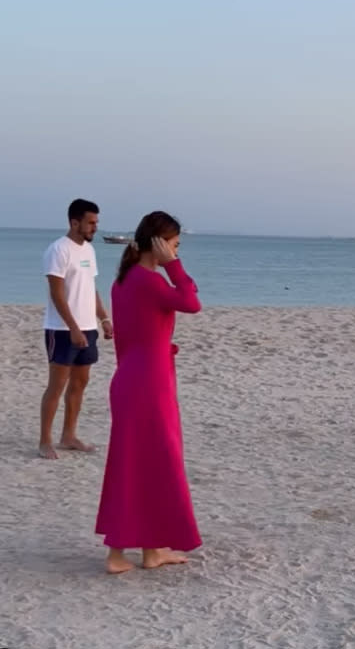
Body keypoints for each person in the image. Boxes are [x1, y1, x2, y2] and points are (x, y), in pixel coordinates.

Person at [95, 211, 202, 573]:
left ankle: (125, 552)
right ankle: (146, 550)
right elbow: (191, 302)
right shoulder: (149, 281)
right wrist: (174, 266)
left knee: (132, 463)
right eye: (173, 245)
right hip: (149, 383)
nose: (175, 251)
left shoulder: (123, 281)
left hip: (129, 378)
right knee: (158, 461)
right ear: (158, 243)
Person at [39, 198, 113, 460]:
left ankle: (68, 435)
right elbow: (57, 293)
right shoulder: (58, 250)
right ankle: (45, 441)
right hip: (61, 330)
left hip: (87, 327)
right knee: (56, 386)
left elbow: (89, 289)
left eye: (96, 222)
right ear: (74, 222)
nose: (95, 227)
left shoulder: (88, 252)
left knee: (80, 383)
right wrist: (72, 328)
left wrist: (103, 318)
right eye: (91, 223)